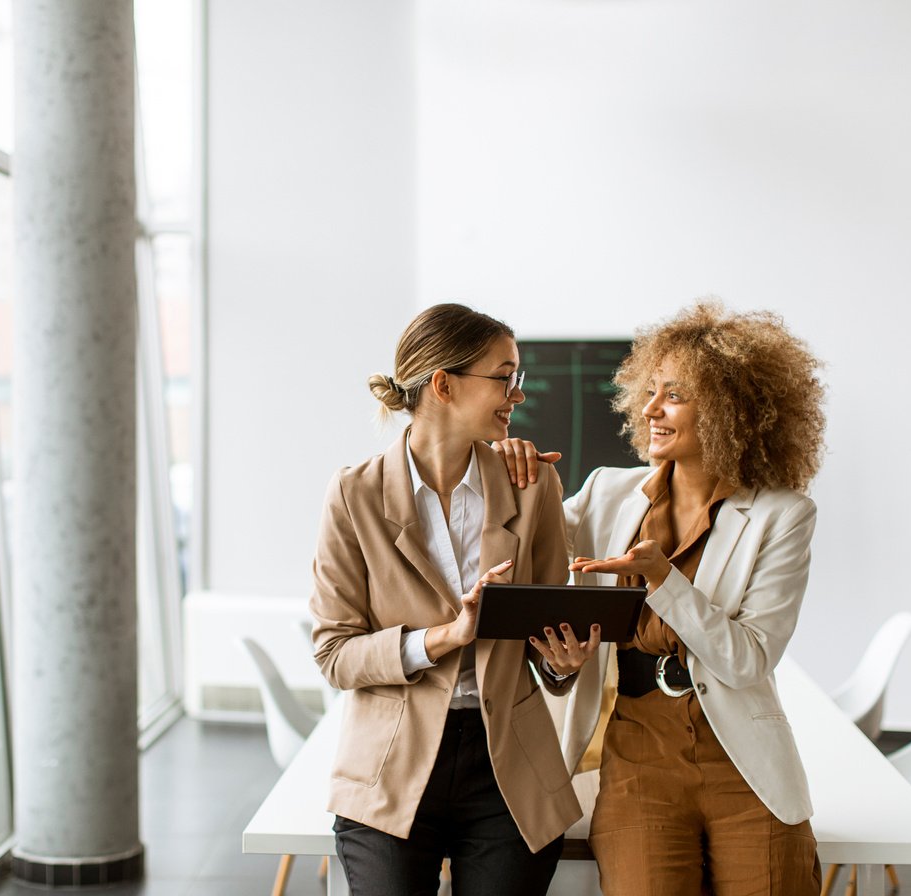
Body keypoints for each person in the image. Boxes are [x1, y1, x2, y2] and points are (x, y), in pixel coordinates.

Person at [495, 301, 827, 896]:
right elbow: (521, 547)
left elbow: (747, 660)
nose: (650, 408)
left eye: (674, 395)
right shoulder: (605, 491)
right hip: (639, 765)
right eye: (649, 391)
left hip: (745, 768)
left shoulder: (784, 515)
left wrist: (663, 581)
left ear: (731, 411)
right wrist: (504, 470)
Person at [310, 303, 600, 896]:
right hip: (390, 762)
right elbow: (335, 655)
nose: (516, 394)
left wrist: (561, 663)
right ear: (443, 384)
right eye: (504, 376)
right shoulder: (353, 496)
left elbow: (543, 630)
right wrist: (446, 635)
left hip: (509, 769)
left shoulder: (532, 484)